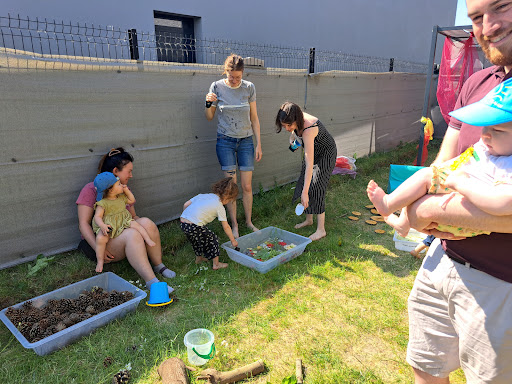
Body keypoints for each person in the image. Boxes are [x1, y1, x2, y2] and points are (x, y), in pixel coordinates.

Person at [404, 1, 512, 382]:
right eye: (476, 17)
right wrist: (421, 213)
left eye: (501, 7)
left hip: (501, 284)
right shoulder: (477, 84)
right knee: (426, 366)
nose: (488, 26)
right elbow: (442, 168)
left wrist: (426, 212)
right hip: (442, 259)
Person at [367, 79, 512, 239]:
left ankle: (388, 204)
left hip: (469, 215)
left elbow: (503, 204)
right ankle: (403, 223)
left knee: (426, 177)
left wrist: (461, 183)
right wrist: (442, 173)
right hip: (458, 210)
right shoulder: (487, 147)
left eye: (497, 130)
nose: (485, 134)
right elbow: (460, 161)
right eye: (485, 126)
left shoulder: (507, 165)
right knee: (429, 176)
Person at [76, 147, 175, 294]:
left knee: (146, 222)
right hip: (102, 240)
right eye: (128, 171)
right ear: (116, 171)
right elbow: (83, 224)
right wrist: (98, 249)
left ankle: (158, 265)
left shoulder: (123, 190)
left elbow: (133, 216)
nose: (131, 175)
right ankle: (152, 282)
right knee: (132, 235)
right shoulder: (91, 189)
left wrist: (143, 226)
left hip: (121, 230)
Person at [205, 53, 262, 238]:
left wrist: (259, 143)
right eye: (232, 76)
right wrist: (208, 103)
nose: (235, 80)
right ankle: (235, 225)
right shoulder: (216, 87)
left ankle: (249, 222)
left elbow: (254, 118)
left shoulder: (249, 88)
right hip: (225, 142)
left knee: (246, 187)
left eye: (238, 76)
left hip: (246, 141)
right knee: (231, 187)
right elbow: (209, 117)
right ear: (226, 72)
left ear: (243, 73)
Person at [275, 102, 337, 241]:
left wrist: (304, 193)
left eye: (288, 125)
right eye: (284, 125)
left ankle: (321, 230)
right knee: (305, 181)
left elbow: (310, 164)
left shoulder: (309, 129)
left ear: (296, 120)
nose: (286, 128)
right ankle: (309, 220)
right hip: (313, 150)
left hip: (326, 154)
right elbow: (295, 134)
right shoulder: (295, 119)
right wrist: (293, 138)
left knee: (317, 186)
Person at [92, 172, 156, 273]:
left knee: (137, 225)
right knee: (100, 238)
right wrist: (102, 225)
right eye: (119, 184)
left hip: (123, 220)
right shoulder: (102, 203)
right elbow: (97, 217)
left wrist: (126, 190)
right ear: (111, 189)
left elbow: (132, 200)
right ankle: (100, 260)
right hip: (109, 224)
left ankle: (147, 239)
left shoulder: (121, 197)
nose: (122, 185)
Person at [180, 177, 239, 270]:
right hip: (194, 225)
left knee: (196, 240)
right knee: (212, 239)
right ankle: (216, 264)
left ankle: (198, 259)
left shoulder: (203, 195)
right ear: (228, 197)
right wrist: (233, 240)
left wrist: (186, 218)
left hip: (183, 222)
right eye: (230, 201)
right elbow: (226, 227)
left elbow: (186, 204)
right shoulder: (219, 206)